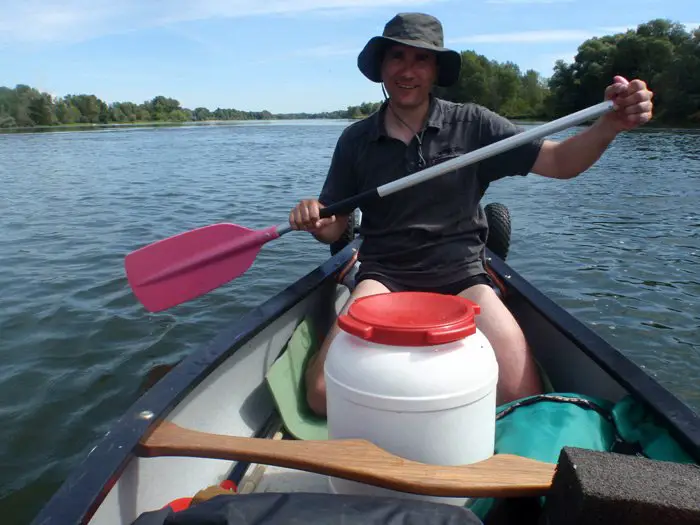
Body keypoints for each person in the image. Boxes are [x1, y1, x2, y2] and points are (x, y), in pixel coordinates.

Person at [288, 12, 654, 416]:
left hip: (464, 273)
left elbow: (560, 161)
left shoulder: (474, 124)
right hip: (384, 275)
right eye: (397, 57)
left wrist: (607, 127)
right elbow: (335, 225)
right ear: (381, 67)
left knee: (519, 395)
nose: (408, 71)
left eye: (421, 60)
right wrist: (320, 223)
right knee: (321, 394)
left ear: (435, 70)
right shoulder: (356, 139)